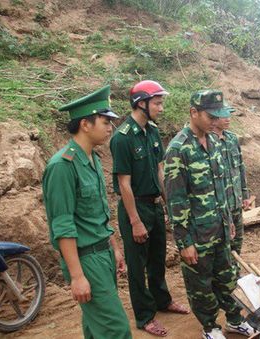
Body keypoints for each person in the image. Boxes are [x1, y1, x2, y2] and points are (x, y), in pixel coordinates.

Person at [42, 85, 132, 339]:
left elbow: (97, 214)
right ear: (85, 124)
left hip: (101, 252)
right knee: (116, 330)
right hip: (85, 259)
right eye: (105, 122)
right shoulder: (62, 166)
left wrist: (113, 246)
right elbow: (63, 224)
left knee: (95, 328)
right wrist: (77, 276)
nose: (110, 128)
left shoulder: (91, 158)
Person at [164, 90, 254, 339]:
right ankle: (210, 327)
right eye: (210, 116)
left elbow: (223, 187)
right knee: (201, 285)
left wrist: (229, 222)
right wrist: (184, 242)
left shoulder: (214, 142)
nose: (215, 121)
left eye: (218, 116)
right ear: (194, 113)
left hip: (221, 229)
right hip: (197, 235)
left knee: (228, 278)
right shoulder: (178, 149)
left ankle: (235, 320)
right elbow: (175, 201)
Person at [110, 80, 189, 337]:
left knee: (157, 260)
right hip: (136, 209)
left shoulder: (153, 132)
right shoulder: (122, 138)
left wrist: (169, 206)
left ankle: (162, 301)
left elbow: (159, 170)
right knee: (137, 265)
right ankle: (144, 316)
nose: (161, 108)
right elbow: (124, 183)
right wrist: (135, 221)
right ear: (141, 103)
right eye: (157, 102)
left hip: (155, 207)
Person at [210, 109, 251, 257]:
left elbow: (240, 167)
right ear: (213, 117)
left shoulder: (232, 139)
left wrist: (245, 194)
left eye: (229, 115)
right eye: (224, 116)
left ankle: (235, 273)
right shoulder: (207, 141)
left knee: (237, 242)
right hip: (220, 207)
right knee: (222, 246)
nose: (228, 119)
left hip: (236, 202)